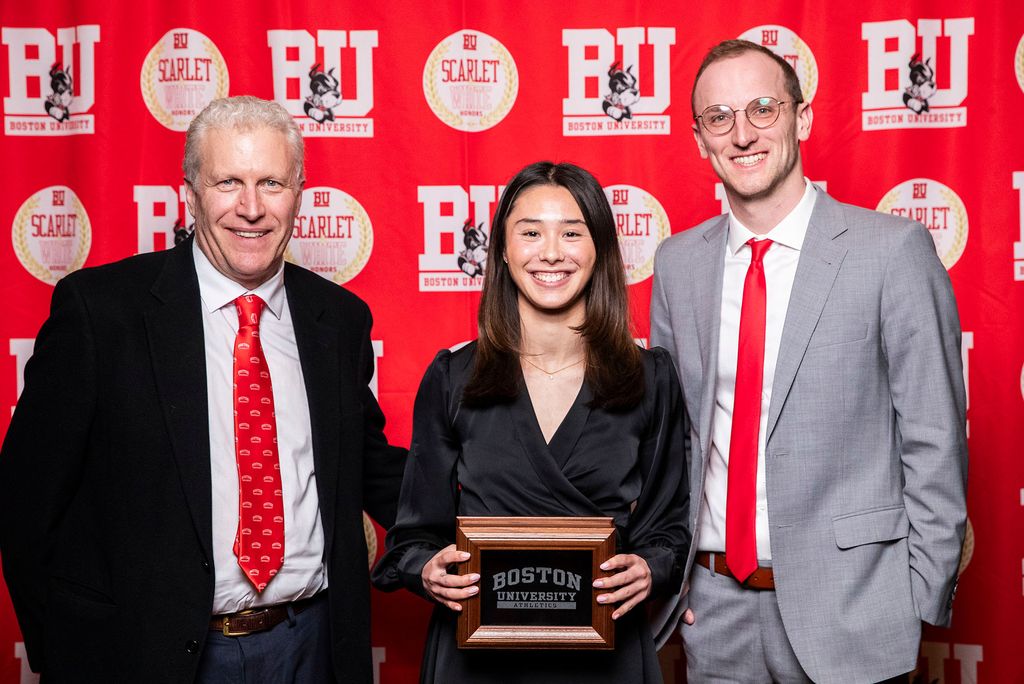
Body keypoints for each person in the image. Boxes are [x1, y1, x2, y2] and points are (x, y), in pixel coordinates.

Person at [0, 96, 405, 683]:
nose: (251, 208)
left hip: (310, 645)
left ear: (299, 192)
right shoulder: (102, 312)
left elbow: (366, 465)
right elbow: (26, 501)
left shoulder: (336, 319)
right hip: (146, 655)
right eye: (227, 182)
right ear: (190, 194)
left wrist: (485, 530)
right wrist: (69, 654)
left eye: (271, 183)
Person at [649, 40, 968, 683]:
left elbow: (934, 437)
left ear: (803, 119)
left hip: (855, 611)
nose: (742, 135)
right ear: (699, 140)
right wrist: (673, 581)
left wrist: (914, 601)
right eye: (720, 118)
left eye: (763, 109)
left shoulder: (891, 251)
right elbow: (674, 439)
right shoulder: (677, 265)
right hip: (714, 614)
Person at [372, 161, 690, 683]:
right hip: (476, 660)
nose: (550, 252)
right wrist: (426, 569)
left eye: (571, 232)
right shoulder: (454, 377)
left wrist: (650, 568)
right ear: (501, 249)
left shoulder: (649, 377)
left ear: (601, 248)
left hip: (606, 655)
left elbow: (667, 522)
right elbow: (414, 535)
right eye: (530, 232)